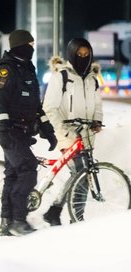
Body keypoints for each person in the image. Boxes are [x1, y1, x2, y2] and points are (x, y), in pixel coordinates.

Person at [0, 29, 58, 236]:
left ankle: (6, 222)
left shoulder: (27, 68)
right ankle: (19, 220)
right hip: (10, 131)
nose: (32, 48)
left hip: (24, 130)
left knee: (13, 175)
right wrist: (2, 129)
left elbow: (36, 106)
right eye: (29, 44)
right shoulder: (6, 70)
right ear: (19, 46)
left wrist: (47, 130)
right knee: (28, 168)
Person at [41, 38, 103, 225]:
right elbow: (49, 107)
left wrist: (97, 121)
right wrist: (64, 130)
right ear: (72, 54)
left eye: (86, 55)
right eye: (79, 54)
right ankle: (77, 218)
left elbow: (97, 104)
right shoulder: (62, 76)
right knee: (82, 173)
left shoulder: (92, 79)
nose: (83, 58)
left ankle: (55, 210)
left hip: (86, 134)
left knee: (81, 174)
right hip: (66, 133)